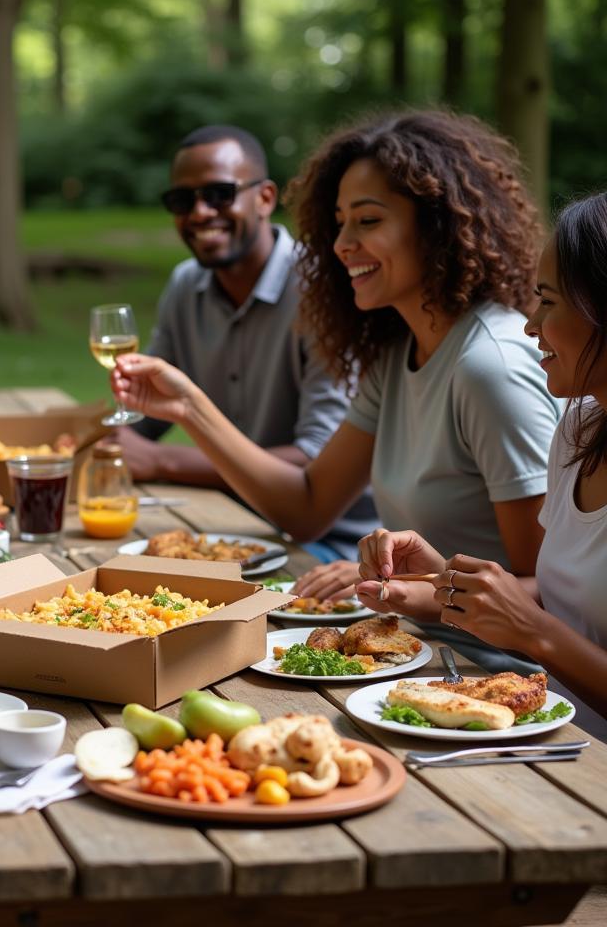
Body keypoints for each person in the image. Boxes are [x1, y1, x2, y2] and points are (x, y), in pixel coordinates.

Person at [110, 111, 561, 667]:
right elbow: (307, 509)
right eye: (340, 222)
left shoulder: (488, 366)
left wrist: (414, 589)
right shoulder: (399, 355)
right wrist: (189, 407)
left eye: (368, 221)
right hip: (412, 646)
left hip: (494, 677)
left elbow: (549, 596)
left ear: (438, 225)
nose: (342, 244)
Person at [355, 192, 607, 738]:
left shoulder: (487, 364)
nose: (529, 325)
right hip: (542, 734)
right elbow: (568, 592)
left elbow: (545, 623)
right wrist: (442, 587)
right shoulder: (581, 429)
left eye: (548, 301)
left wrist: (535, 634)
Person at [117, 124, 377, 568]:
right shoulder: (186, 285)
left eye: (219, 193)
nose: (199, 212)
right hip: (233, 522)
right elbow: (138, 419)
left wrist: (163, 462)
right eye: (182, 201)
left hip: (332, 549)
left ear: (265, 198)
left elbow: (311, 459)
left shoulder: (324, 291)